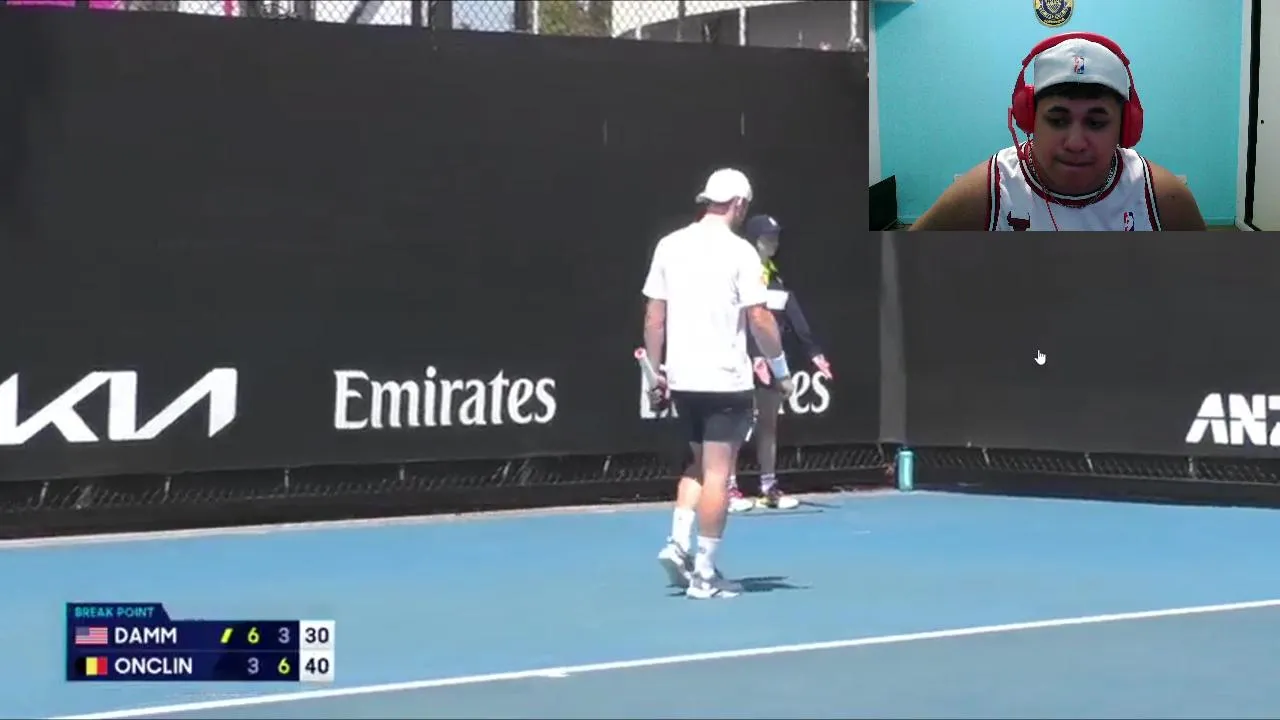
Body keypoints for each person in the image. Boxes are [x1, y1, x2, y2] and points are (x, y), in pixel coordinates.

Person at [641, 168, 792, 600]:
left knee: (697, 465)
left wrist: (656, 372)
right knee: (717, 475)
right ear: (739, 204)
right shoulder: (741, 252)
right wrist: (781, 370)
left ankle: (678, 543)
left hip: (683, 380)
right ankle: (704, 574)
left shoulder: (669, 245)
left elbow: (654, 317)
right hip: (725, 381)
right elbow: (759, 317)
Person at [910, 32, 1206, 231]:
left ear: (1124, 127)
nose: (1075, 143)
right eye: (1058, 120)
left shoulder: (1162, 198)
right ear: (1030, 120)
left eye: (1096, 123)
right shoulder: (988, 191)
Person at [727, 214, 833, 513]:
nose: (774, 242)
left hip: (770, 363)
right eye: (767, 237)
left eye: (775, 237)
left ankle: (768, 487)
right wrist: (753, 355)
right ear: (753, 241)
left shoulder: (776, 277)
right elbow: (740, 321)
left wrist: (814, 353)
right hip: (739, 362)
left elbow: (794, 317)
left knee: (769, 425)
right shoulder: (738, 273)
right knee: (734, 427)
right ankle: (729, 488)